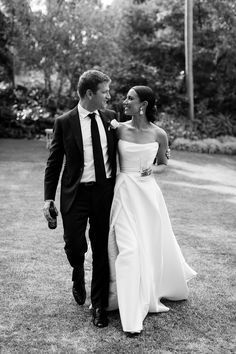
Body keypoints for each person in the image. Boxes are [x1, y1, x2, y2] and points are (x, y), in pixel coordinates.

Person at [107, 86, 196, 336]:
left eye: (130, 99)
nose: (125, 102)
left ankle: (150, 289)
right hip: (123, 192)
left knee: (148, 244)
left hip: (148, 195)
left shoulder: (159, 134)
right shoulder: (119, 128)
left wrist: (150, 170)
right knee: (130, 249)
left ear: (143, 104)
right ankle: (129, 308)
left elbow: (164, 165)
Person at [43, 70, 117, 328]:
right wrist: (47, 198)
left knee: (100, 248)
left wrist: (157, 149)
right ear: (89, 94)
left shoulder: (111, 118)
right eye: (104, 92)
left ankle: (98, 306)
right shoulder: (64, 122)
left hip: (103, 193)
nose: (109, 96)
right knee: (75, 245)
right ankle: (77, 270)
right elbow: (54, 163)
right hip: (75, 193)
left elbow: (131, 142)